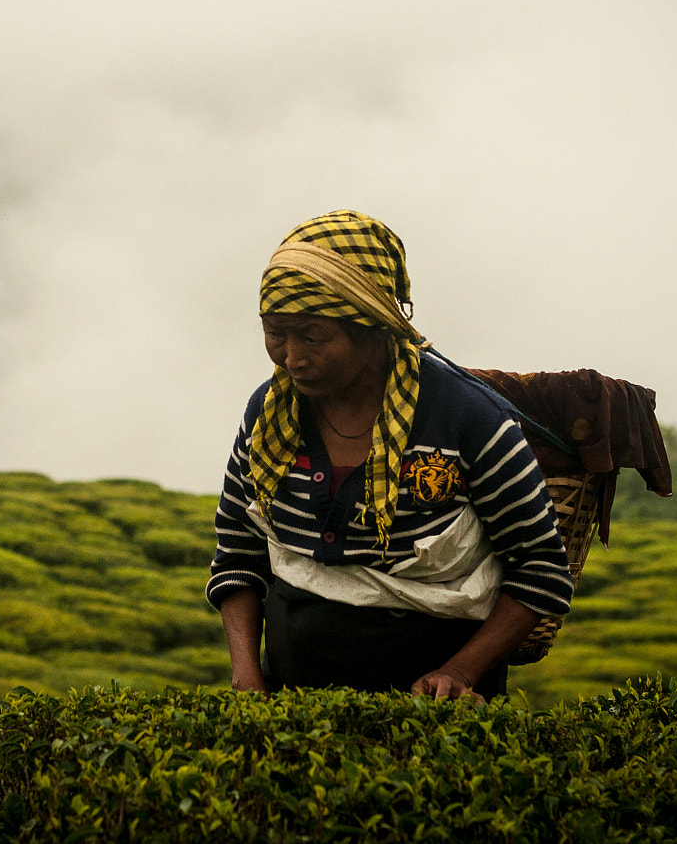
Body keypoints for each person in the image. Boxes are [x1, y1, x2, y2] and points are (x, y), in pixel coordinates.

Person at [206, 210, 573, 702]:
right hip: (292, 708)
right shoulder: (269, 417)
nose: (291, 357)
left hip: (438, 715)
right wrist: (248, 678)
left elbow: (541, 568)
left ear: (374, 328)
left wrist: (460, 672)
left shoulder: (468, 420)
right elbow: (238, 552)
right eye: (276, 333)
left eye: (313, 336)